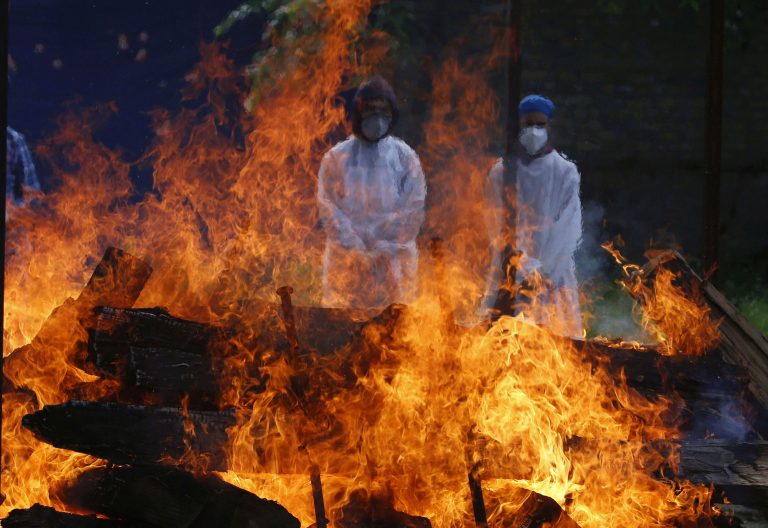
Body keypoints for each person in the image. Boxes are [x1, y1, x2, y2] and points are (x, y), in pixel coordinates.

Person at [317, 76, 426, 309]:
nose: (377, 116)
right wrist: (356, 249)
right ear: (358, 112)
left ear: (392, 113)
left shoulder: (405, 158)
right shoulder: (337, 158)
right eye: (370, 109)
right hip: (346, 266)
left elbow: (413, 210)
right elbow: (328, 207)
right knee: (343, 334)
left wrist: (382, 249)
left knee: (395, 337)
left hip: (394, 268)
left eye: (383, 110)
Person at [484, 95, 583, 337]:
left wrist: (542, 270)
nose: (534, 131)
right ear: (518, 126)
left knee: (560, 349)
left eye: (540, 125)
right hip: (510, 275)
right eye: (528, 124)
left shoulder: (565, 171)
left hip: (553, 276)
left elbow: (568, 229)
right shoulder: (501, 172)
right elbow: (495, 224)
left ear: (550, 126)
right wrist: (522, 267)